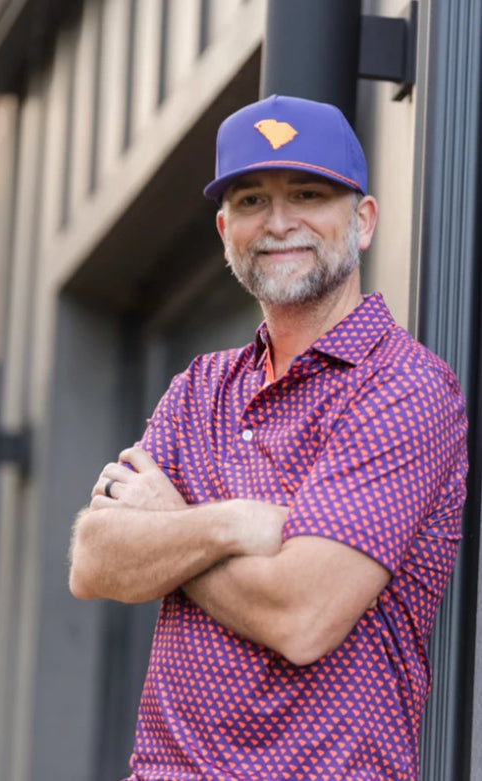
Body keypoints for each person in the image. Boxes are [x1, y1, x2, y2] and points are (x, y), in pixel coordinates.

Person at [69, 95, 468, 781]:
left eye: (307, 193)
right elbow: (95, 561)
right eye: (251, 200)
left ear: (362, 220)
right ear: (225, 229)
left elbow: (301, 616)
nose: (278, 222)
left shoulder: (405, 388)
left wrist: (168, 528)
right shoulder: (199, 388)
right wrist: (230, 522)